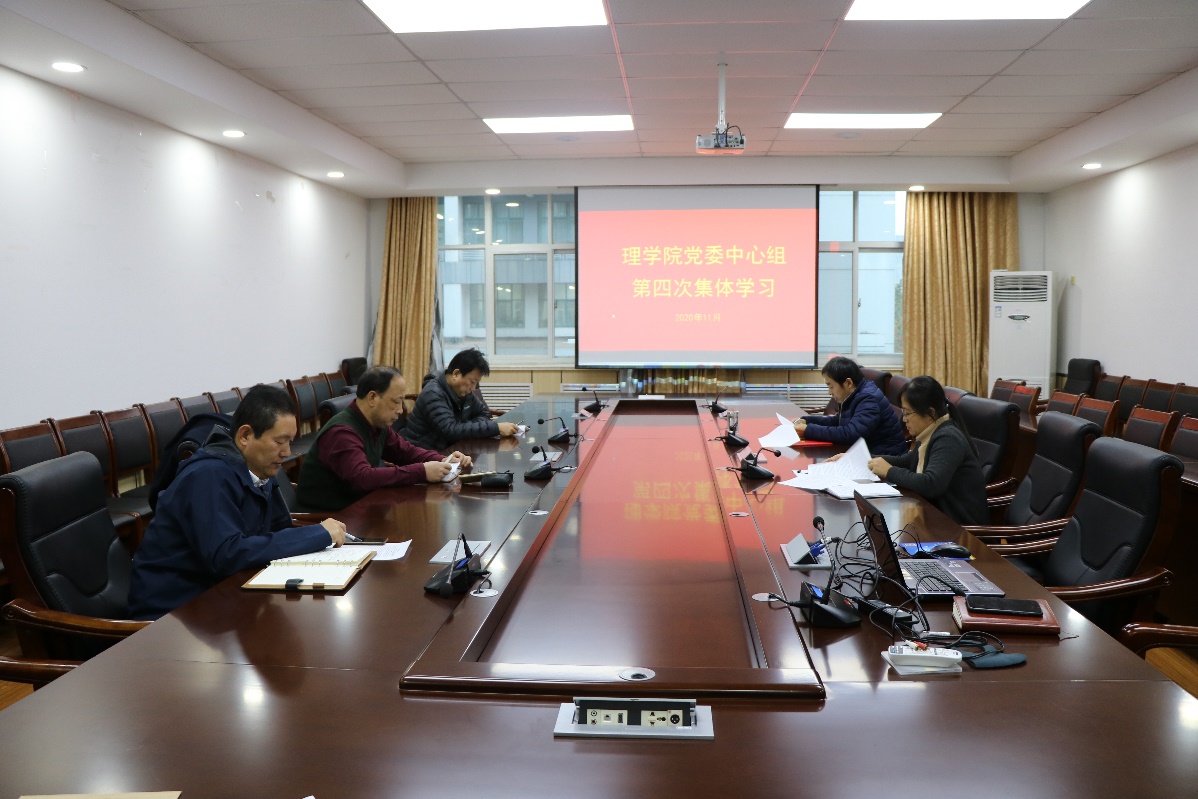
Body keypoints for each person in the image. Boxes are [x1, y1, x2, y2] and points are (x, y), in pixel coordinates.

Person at [128, 385, 346, 620]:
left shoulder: (259, 470)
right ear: (245, 436)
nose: (286, 452)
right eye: (280, 441)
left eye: (290, 441)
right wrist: (317, 534)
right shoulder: (207, 476)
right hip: (172, 613)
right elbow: (227, 554)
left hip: (219, 596)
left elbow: (279, 529)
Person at [296, 366, 473, 512]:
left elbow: (406, 452)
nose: (400, 410)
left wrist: (444, 460)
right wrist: (422, 471)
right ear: (372, 397)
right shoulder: (342, 432)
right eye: (396, 402)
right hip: (327, 521)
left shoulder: (377, 424)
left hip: (360, 509)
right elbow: (362, 478)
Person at [866, 375, 988, 526]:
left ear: (930, 414)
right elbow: (907, 462)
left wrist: (889, 471)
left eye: (908, 413)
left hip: (957, 527)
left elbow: (931, 484)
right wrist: (866, 459)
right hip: (934, 516)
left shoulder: (948, 438)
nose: (904, 419)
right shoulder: (931, 432)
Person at [401, 348, 520, 450]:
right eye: (472, 382)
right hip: (425, 455)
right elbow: (450, 431)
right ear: (456, 374)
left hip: (453, 450)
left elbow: (484, 414)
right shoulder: (432, 393)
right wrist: (495, 428)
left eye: (476, 383)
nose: (473, 388)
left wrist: (462, 427)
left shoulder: (463, 391)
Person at [793, 356, 907, 456]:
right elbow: (839, 421)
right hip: (868, 453)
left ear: (848, 383)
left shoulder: (868, 399)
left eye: (831, 386)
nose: (829, 392)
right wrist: (807, 420)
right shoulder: (855, 394)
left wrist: (808, 430)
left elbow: (851, 434)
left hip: (885, 459)